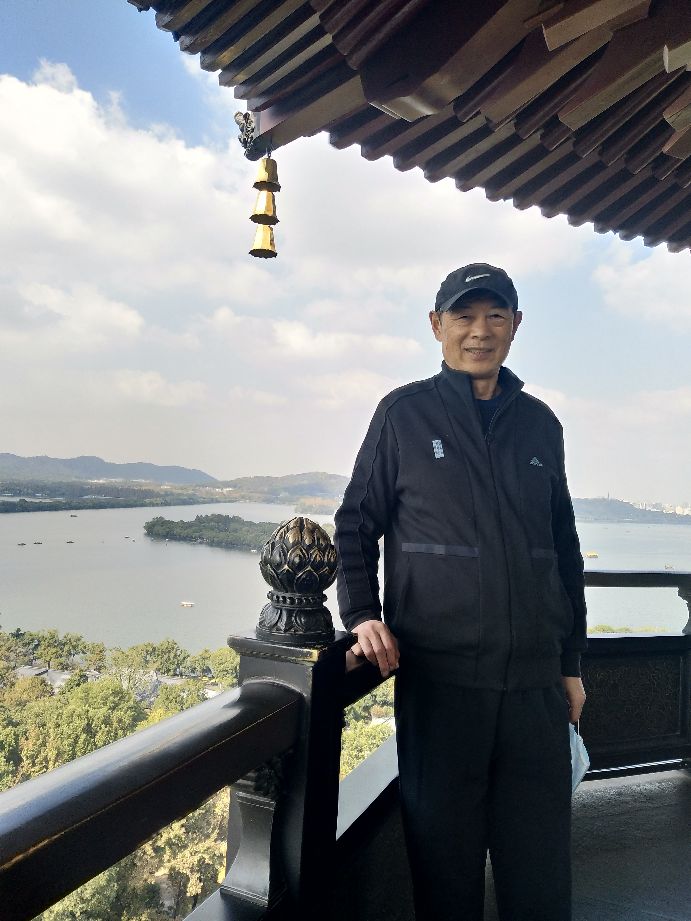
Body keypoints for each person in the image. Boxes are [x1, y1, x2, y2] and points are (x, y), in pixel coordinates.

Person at [334, 263, 587, 921]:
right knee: (444, 879)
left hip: (534, 691)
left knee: (540, 880)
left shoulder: (540, 424)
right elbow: (355, 523)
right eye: (464, 317)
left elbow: (561, 549)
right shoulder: (403, 414)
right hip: (442, 690)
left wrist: (570, 664)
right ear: (436, 326)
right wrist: (361, 615)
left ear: (514, 326)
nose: (479, 331)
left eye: (494, 316)